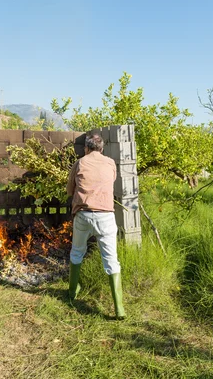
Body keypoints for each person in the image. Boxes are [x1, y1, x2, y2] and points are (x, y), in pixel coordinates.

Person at [66, 133, 125, 320]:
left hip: (83, 215)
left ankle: (72, 293)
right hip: (106, 217)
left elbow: (69, 189)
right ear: (101, 149)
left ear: (86, 148)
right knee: (111, 261)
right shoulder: (110, 163)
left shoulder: (80, 163)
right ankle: (119, 309)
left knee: (77, 252)